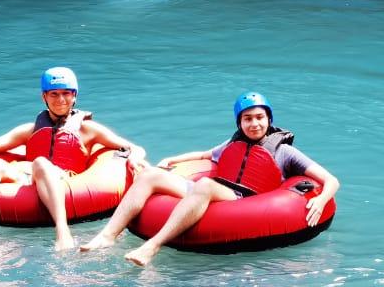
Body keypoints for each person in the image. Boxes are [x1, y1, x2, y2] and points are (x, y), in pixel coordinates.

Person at [81, 91, 339, 266]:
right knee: (150, 175)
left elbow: (330, 180)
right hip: (212, 189)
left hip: (241, 198)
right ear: (240, 123)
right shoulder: (232, 142)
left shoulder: (284, 151)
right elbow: (205, 154)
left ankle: (153, 246)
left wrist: (322, 198)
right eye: (247, 119)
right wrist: (174, 159)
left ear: (269, 120)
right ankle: (107, 235)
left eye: (260, 118)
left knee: (204, 185)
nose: (254, 124)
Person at [0, 67, 146, 251]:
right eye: (54, 94)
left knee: (41, 163)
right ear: (44, 96)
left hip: (63, 179)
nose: (60, 99)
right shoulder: (31, 130)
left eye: (66, 93)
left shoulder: (87, 130)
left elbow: (133, 147)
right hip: (28, 175)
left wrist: (135, 157)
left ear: (74, 96)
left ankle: (62, 232)